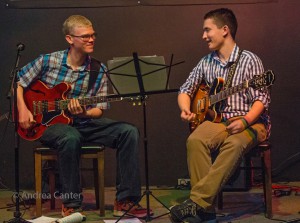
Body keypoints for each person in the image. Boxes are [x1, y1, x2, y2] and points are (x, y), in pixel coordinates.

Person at [17, 15, 151, 218]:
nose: (92, 39)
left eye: (93, 35)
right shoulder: (48, 61)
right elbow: (19, 81)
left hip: (83, 122)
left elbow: (99, 109)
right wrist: (24, 110)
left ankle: (125, 200)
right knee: (71, 136)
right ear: (70, 39)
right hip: (48, 125)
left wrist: (84, 111)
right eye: (85, 36)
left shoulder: (98, 69)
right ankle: (71, 204)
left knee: (128, 132)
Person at [170, 8, 271, 223]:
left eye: (207, 30)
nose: (203, 36)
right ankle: (207, 212)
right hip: (219, 120)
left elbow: (261, 99)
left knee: (233, 144)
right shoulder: (206, 62)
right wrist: (186, 108)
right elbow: (186, 89)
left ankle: (197, 204)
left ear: (224, 30)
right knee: (195, 140)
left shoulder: (249, 60)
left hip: (252, 122)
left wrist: (245, 121)